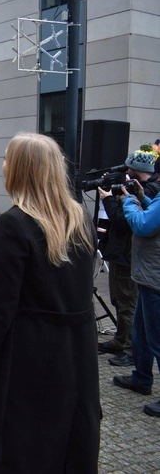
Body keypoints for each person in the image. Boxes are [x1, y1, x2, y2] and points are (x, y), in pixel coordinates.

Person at [0, 132, 99, 472]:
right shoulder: (80, 218)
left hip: (28, 358)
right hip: (76, 356)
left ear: (22, 169)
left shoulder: (13, 224)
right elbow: (67, 280)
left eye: (7, 159)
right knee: (63, 446)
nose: (3, 165)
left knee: (18, 448)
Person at [114, 145, 160, 418]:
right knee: (142, 334)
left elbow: (143, 225)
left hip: (155, 278)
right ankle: (141, 378)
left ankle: (144, 379)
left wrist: (129, 201)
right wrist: (142, 199)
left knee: (156, 339)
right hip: (147, 276)